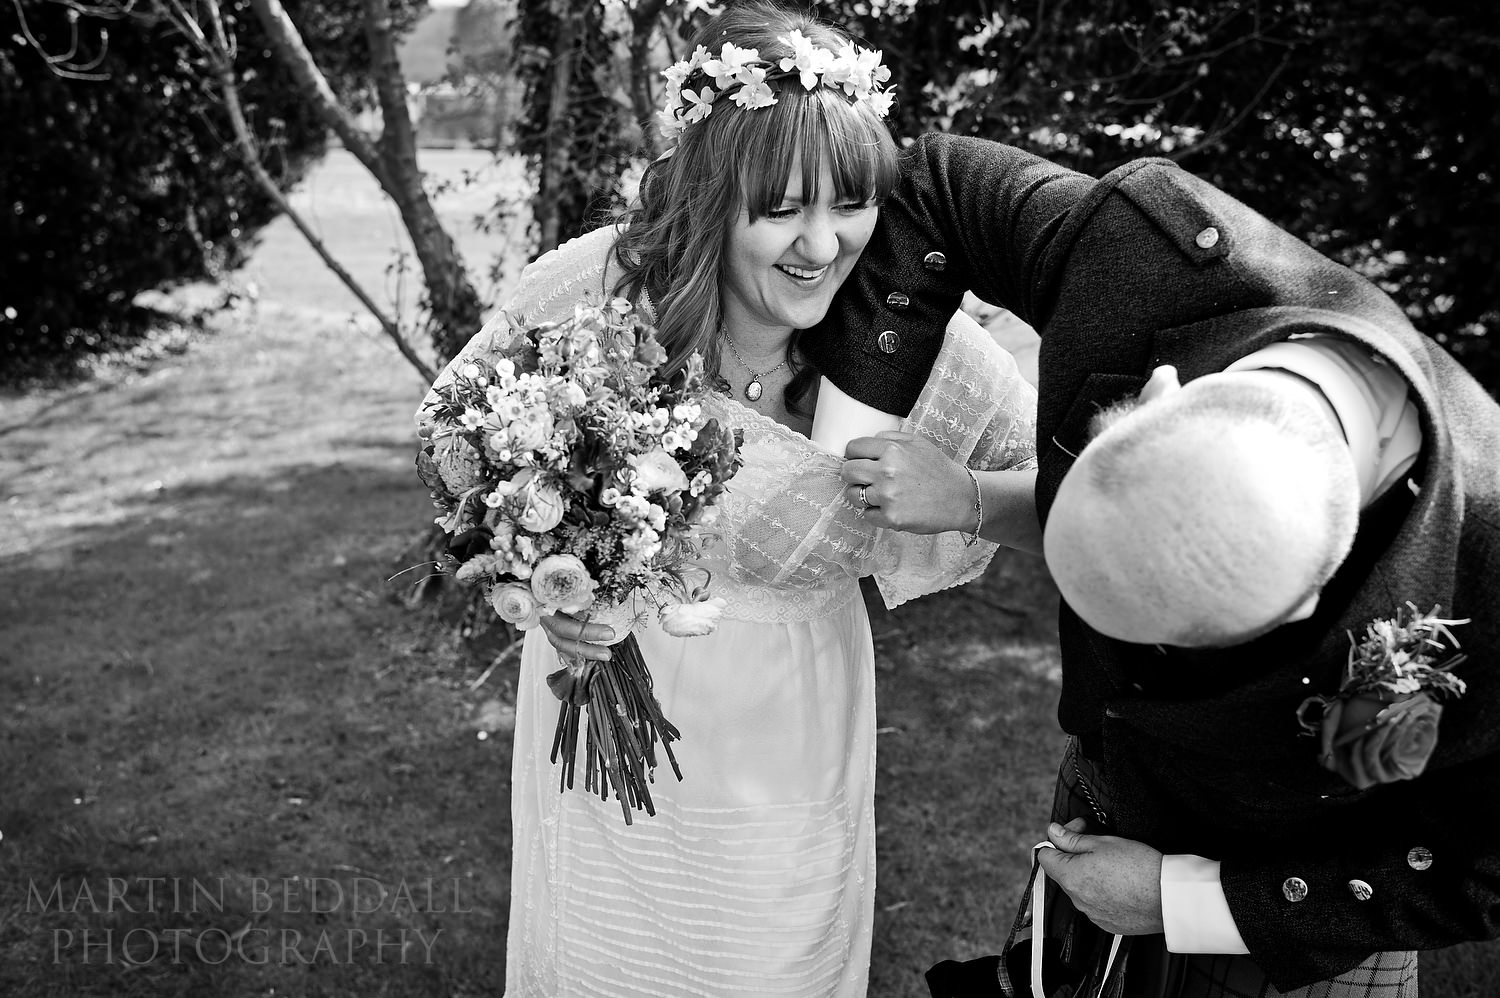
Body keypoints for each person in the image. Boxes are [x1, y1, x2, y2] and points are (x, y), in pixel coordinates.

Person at [417, 7, 1041, 995]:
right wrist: (549, 570)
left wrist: (966, 494)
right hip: (594, 712)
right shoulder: (608, 285)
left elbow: (1080, 498)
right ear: (714, 198)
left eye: (852, 202)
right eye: (782, 208)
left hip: (787, 743)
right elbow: (449, 426)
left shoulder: (919, 348)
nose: (822, 244)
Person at [805, 134, 1500, 996]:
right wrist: (834, 454)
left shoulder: (1487, 558)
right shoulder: (1137, 253)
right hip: (1101, 808)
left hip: (1300, 923)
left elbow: (1482, 871)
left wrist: (1184, 899)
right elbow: (930, 188)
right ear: (1153, 398)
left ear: (1314, 606)